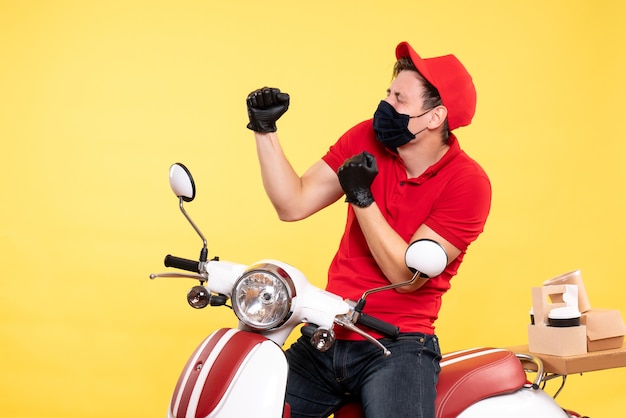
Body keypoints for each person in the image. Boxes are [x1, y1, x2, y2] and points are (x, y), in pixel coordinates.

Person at [245, 41, 491, 418]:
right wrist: (265, 130)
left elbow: (406, 277)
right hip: (327, 330)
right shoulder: (364, 138)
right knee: (251, 406)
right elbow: (292, 204)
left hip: (399, 345)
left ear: (434, 116)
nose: (386, 105)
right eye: (388, 94)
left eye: (400, 99)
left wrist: (362, 198)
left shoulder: (467, 183)